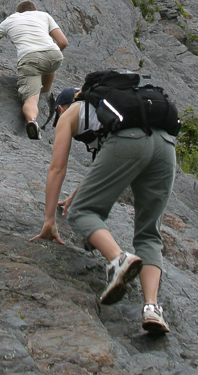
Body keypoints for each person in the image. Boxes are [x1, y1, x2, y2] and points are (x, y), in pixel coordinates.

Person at [30, 85, 177, 334]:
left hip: (131, 142)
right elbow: (100, 170)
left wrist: (49, 220)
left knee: (81, 212)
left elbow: (57, 168)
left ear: (61, 108)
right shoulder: (110, 111)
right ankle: (151, 307)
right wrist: (75, 195)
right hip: (165, 145)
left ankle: (119, 260)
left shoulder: (69, 114)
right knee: (149, 234)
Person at [0, 1, 68, 140]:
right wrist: (49, 53)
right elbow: (63, 42)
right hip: (54, 55)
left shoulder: (11, 19)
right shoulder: (44, 15)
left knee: (31, 100)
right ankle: (45, 93)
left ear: (18, 12)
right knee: (47, 67)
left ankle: (32, 121)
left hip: (29, 58)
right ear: (34, 10)